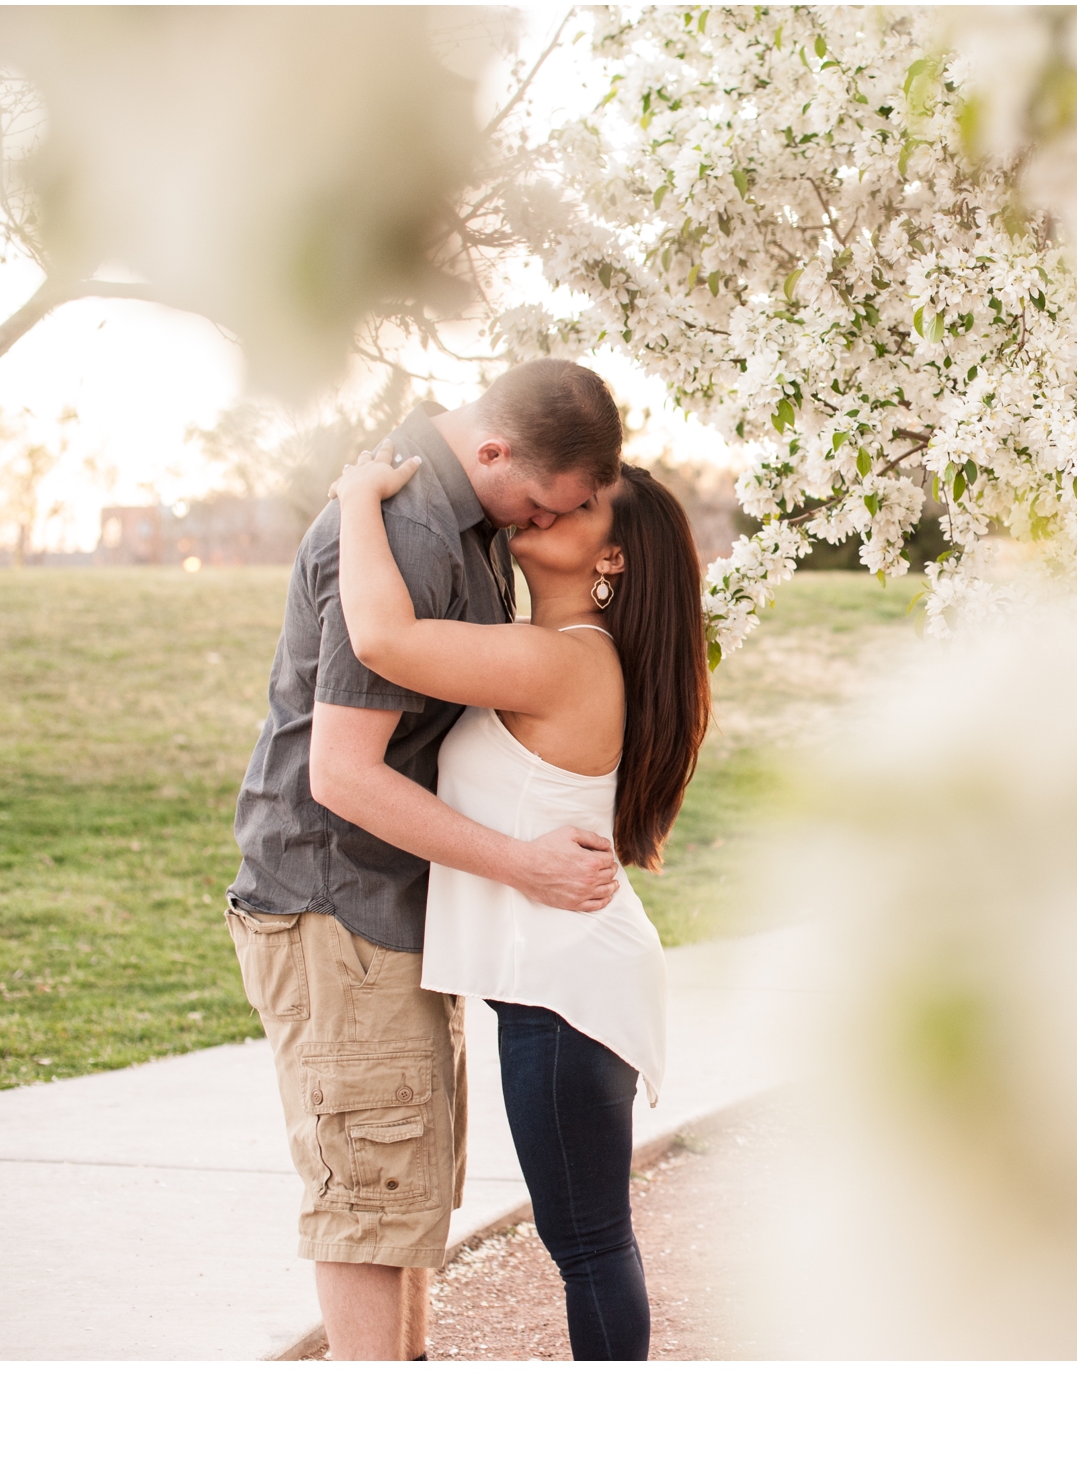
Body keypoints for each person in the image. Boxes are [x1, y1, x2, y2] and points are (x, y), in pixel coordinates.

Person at [225, 359, 627, 1362]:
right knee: (368, 1197)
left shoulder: (467, 528)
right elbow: (346, 775)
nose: (540, 525)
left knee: (404, 1196)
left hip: (389, 905)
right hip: (339, 902)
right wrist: (520, 863)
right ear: (491, 451)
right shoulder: (408, 532)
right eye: (538, 503)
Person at [327, 448, 709, 1361]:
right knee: (588, 1240)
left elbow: (381, 640)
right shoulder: (563, 655)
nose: (544, 513)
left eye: (577, 512)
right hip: (564, 981)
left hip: (567, 991)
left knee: (586, 1244)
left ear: (611, 560)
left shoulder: (563, 662)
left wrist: (352, 498)